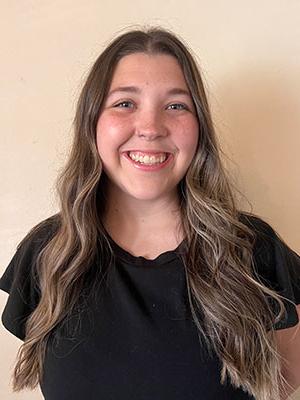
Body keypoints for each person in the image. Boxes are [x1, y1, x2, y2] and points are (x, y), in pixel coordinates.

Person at [0, 27, 299, 400]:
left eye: (176, 106)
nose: (151, 128)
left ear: (200, 128)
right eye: (125, 103)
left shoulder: (254, 250)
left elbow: (283, 382)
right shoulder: (46, 253)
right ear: (92, 121)